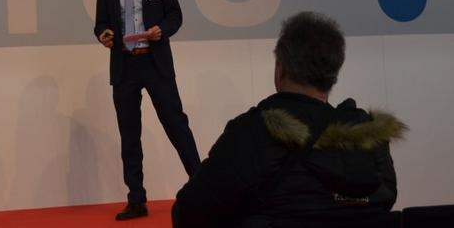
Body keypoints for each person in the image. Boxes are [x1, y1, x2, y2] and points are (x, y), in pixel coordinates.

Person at [171, 11, 406, 228]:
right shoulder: (368, 136)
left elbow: (187, 215)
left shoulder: (251, 133)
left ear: (280, 68)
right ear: (333, 74)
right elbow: (384, 203)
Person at [94, 0, 201, 221]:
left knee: (176, 125)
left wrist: (161, 30)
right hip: (124, 65)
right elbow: (100, 22)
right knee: (129, 134)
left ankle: (203, 187)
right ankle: (136, 199)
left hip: (155, 62)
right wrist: (103, 34)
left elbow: (175, 15)